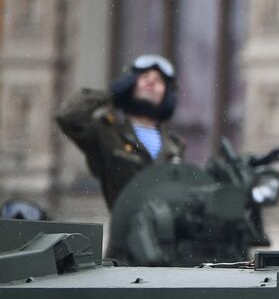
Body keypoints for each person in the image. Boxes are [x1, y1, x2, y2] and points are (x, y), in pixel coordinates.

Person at [56, 54, 186, 208]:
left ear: (167, 93)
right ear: (129, 84)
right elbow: (69, 117)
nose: (151, 82)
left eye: (158, 81)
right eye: (144, 77)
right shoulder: (108, 132)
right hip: (122, 225)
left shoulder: (174, 146)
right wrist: (111, 93)